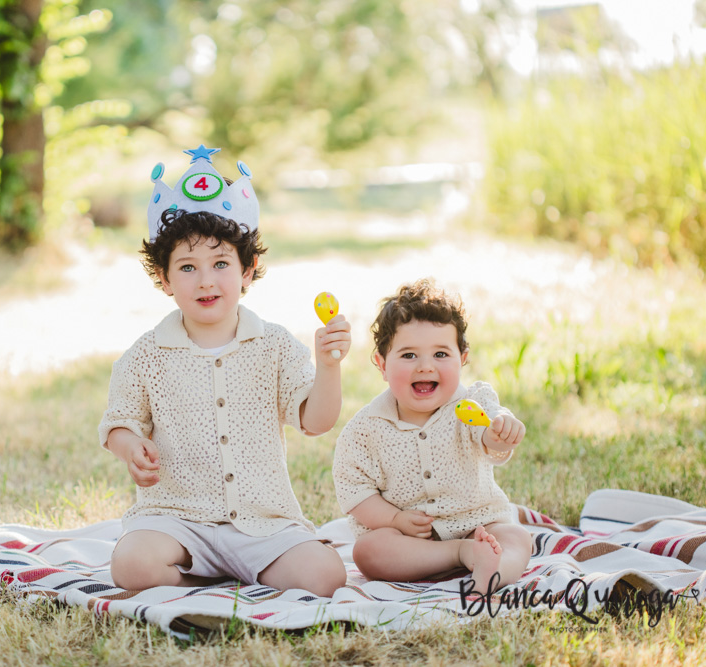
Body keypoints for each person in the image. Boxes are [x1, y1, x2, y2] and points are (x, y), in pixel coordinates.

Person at [100, 145, 350, 597]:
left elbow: (317, 421)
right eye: (187, 267)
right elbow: (119, 422)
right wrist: (131, 447)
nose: (206, 281)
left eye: (220, 264)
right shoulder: (146, 355)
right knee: (131, 564)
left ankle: (235, 572)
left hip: (263, 523)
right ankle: (198, 577)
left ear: (247, 271)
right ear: (164, 277)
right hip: (175, 521)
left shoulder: (273, 344)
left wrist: (328, 366)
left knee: (325, 575)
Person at [333, 279, 531, 592]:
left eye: (441, 354)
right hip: (410, 538)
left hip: (479, 522)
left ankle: (493, 572)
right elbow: (355, 492)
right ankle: (459, 555)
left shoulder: (472, 405)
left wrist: (501, 432)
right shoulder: (365, 429)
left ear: (462, 359)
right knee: (368, 551)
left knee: (516, 537)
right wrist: (395, 520)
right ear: (382, 365)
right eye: (409, 355)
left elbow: (489, 434)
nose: (425, 367)